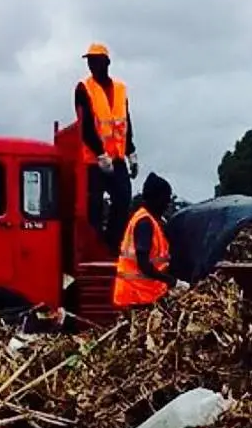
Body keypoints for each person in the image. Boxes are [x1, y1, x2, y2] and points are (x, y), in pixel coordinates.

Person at [75, 43, 139, 253]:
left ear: (106, 63)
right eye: (90, 61)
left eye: (96, 61)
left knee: (123, 199)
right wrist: (100, 154)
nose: (92, 65)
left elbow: (125, 122)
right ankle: (96, 245)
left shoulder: (120, 89)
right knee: (93, 205)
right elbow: (85, 126)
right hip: (95, 161)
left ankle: (112, 244)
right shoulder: (84, 88)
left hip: (117, 158)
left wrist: (131, 152)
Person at [112, 173, 189, 307]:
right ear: (156, 198)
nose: (167, 203)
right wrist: (173, 282)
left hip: (141, 293)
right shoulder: (144, 223)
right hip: (136, 295)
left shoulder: (150, 220)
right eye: (166, 198)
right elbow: (144, 265)